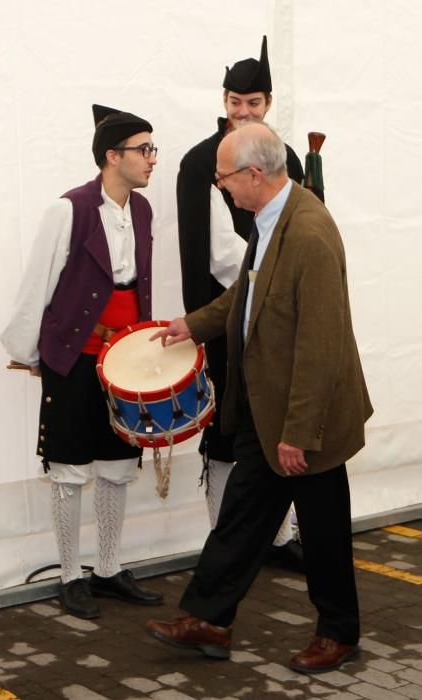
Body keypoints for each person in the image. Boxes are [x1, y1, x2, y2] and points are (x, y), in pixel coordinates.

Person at [146, 123, 373, 673]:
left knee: (322, 532)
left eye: (225, 179)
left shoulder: (309, 233)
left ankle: (338, 634)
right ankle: (209, 618)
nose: (222, 188)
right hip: (268, 406)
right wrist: (193, 326)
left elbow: (321, 344)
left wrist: (299, 431)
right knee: (243, 517)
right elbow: (246, 297)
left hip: (304, 418)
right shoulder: (269, 221)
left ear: (254, 174)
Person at [1, 104, 163, 619]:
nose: (152, 159)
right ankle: (71, 575)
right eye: (144, 149)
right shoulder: (68, 210)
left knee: (116, 468)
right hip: (74, 357)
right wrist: (32, 354)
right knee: (70, 469)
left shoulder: (141, 211)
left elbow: (138, 287)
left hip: (124, 360)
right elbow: (37, 287)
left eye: (152, 148)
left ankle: (110, 569)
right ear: (112, 156)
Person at [177, 36, 304, 569]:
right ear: (223, 100)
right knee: (226, 432)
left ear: (268, 104)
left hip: (277, 320)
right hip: (227, 316)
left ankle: (281, 536)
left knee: (278, 422)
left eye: (253, 103)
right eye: (235, 101)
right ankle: (223, 539)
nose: (243, 111)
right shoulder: (199, 163)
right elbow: (212, 253)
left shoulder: (287, 159)